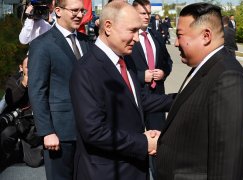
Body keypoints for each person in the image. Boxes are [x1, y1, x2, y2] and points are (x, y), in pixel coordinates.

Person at [69, 2, 174, 180]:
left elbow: (138, 100)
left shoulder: (125, 60)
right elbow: (94, 131)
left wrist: (180, 99)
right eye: (132, 31)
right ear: (108, 27)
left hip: (132, 167)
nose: (137, 38)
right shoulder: (86, 71)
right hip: (106, 172)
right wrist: (144, 143)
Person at [156, 3, 243, 180]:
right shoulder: (206, 67)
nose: (175, 43)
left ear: (206, 36)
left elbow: (227, 166)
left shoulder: (229, 79)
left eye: (180, 36)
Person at [27, 0, 90, 178]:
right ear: (58, 11)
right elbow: (37, 90)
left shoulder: (87, 42)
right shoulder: (42, 44)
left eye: (82, 10)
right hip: (60, 133)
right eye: (74, 10)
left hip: (88, 131)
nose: (79, 15)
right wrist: (47, 131)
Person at [126, 1, 172, 178]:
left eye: (148, 13)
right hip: (136, 99)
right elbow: (120, 68)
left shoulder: (156, 36)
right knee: (137, 144)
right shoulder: (128, 37)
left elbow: (168, 61)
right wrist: (140, 76)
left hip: (157, 98)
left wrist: (164, 72)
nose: (146, 17)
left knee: (159, 144)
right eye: (142, 13)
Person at [0, 56, 43, 169]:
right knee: (6, 134)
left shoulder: (42, 80)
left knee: (35, 162)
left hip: (31, 127)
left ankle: (21, 150)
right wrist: (23, 85)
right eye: (27, 67)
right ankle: (8, 154)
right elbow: (10, 100)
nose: (31, 69)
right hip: (16, 122)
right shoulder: (14, 80)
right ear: (21, 68)